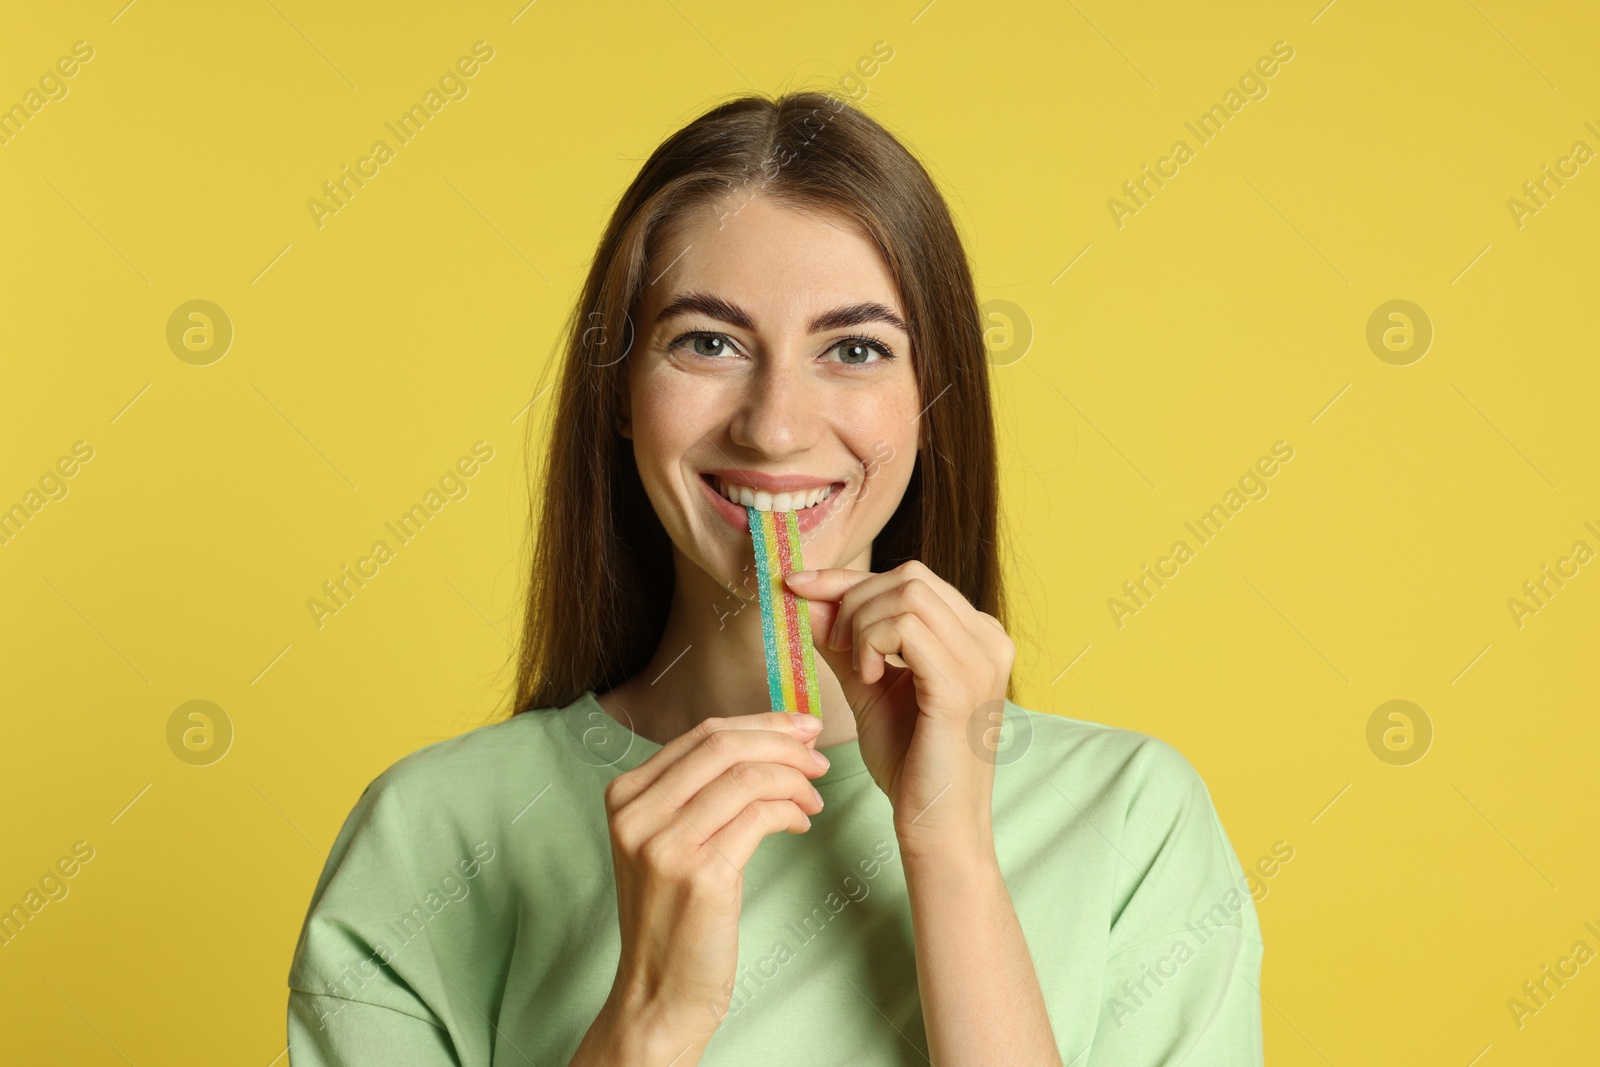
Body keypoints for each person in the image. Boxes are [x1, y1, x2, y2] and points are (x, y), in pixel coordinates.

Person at [286, 89, 1265, 1066]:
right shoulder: (428, 836)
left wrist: (949, 853)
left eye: (853, 348)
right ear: (621, 393)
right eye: (707, 341)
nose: (775, 424)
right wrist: (650, 1016)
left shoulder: (1131, 819)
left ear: (929, 400)